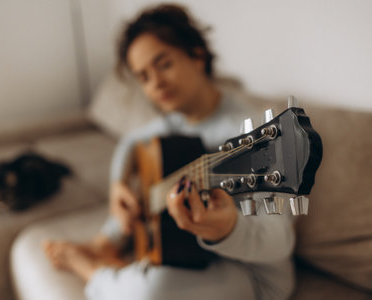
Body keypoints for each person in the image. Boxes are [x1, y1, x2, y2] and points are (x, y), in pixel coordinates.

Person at [43, 4, 295, 300]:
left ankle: (91, 268)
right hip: (187, 248)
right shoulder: (175, 120)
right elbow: (130, 142)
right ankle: (106, 243)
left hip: (252, 274)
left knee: (150, 291)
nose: (156, 84)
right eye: (144, 77)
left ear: (197, 55)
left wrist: (229, 228)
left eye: (163, 64)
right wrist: (117, 185)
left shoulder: (255, 131)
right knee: (144, 193)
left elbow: (282, 239)